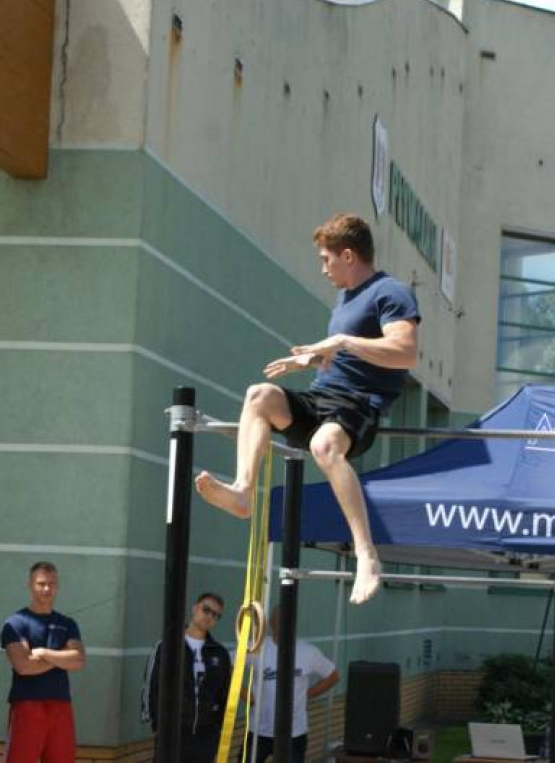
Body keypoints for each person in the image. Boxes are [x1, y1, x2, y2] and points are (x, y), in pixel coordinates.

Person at [195, 213, 420, 604]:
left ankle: (366, 555)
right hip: (322, 400)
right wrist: (313, 361)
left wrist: (343, 341)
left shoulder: (391, 292)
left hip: (358, 407)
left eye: (325, 259)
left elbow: (405, 353)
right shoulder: (345, 299)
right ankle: (244, 492)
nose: (322, 269)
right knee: (259, 395)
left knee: (323, 447)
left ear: (348, 255)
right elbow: (347, 356)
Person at [0, 561, 85, 763]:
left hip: (61, 705)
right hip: (27, 704)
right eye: (41, 583)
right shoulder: (16, 622)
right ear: (30, 585)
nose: (47, 589)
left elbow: (78, 660)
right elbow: (23, 666)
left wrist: (44, 653)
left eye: (52, 583)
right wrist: (61, 657)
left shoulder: (68, 623)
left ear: (58, 586)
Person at [243, 608, 340, 763]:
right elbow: (227, 665)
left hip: (294, 733)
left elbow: (333, 676)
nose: (282, 625)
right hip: (259, 731)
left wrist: (309, 694)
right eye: (278, 620)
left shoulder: (308, 651)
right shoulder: (255, 648)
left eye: (287, 621)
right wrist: (245, 695)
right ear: (270, 624)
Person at [176, 593, 232, 763]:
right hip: (174, 731)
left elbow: (224, 694)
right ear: (195, 608)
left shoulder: (220, 653)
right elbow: (153, 684)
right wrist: (159, 724)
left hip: (206, 734)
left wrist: (217, 728)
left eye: (216, 615)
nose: (209, 617)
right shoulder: (170, 645)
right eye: (206, 610)